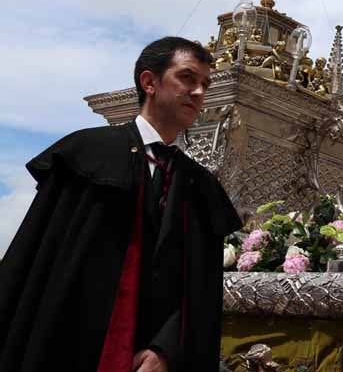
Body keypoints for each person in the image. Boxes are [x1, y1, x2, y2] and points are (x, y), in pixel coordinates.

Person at [0, 37, 242, 371]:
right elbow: (39, 260)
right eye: (187, 77)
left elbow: (200, 288)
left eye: (205, 84)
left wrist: (166, 350)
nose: (199, 92)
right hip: (68, 345)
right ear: (149, 82)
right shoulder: (88, 155)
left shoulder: (200, 186)